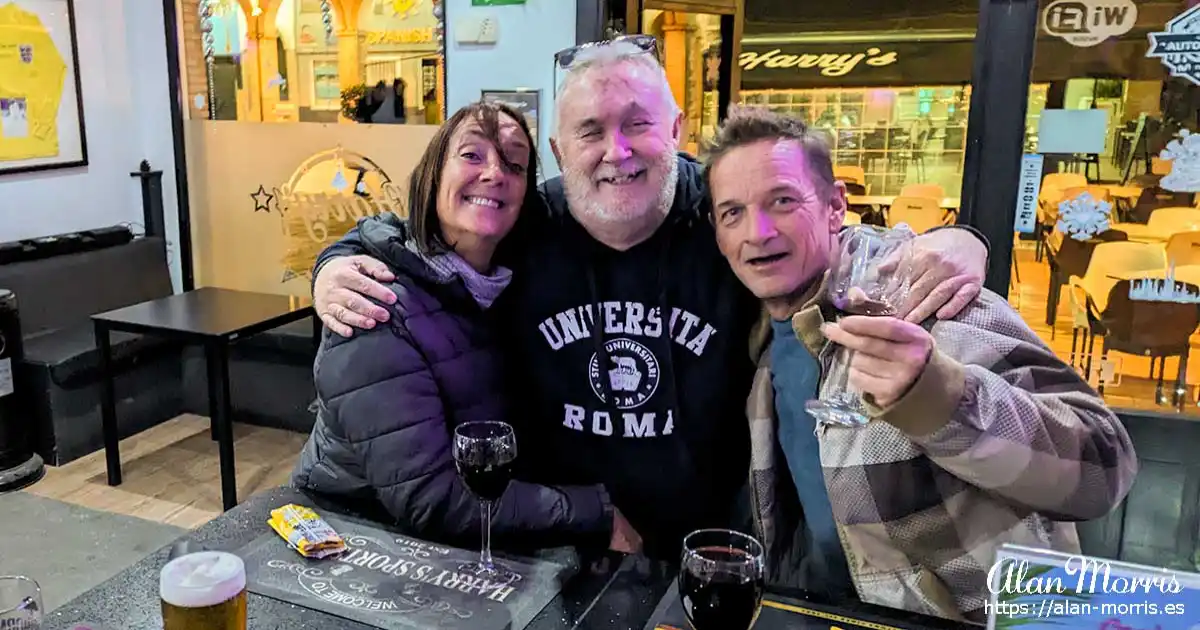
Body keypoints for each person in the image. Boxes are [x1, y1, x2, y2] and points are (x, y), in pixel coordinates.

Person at [309, 36, 991, 560]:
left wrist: (961, 239)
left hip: (711, 545)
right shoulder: (533, 222)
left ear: (676, 131)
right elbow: (426, 240)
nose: (617, 152)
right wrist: (336, 261)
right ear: (558, 149)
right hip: (563, 545)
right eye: (590, 131)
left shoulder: (724, 219)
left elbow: (821, 237)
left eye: (638, 124)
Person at [705, 106, 1137, 623]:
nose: (758, 231)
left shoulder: (921, 296)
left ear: (834, 206)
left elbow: (1104, 467)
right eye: (733, 213)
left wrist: (943, 397)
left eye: (782, 201)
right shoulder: (762, 345)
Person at [291, 101, 617, 549]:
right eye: (471, 155)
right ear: (433, 174)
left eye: (515, 163)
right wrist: (594, 513)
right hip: (356, 541)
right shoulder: (375, 303)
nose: (494, 173)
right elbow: (431, 499)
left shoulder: (508, 283)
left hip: (470, 536)